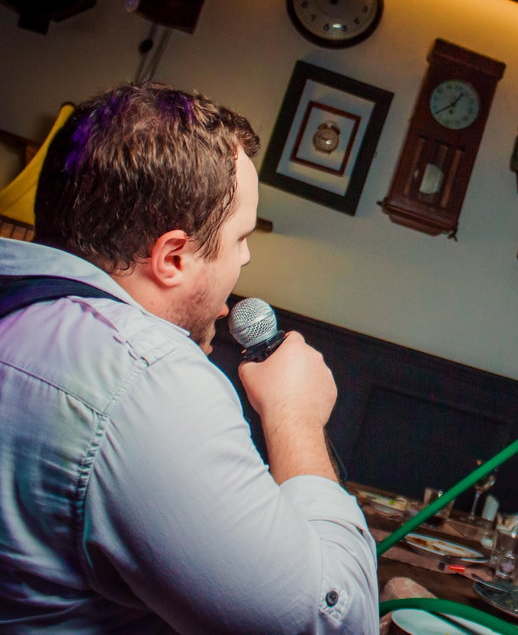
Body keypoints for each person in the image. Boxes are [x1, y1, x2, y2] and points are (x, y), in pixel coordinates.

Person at [0, 83, 378, 633]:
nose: (245, 257)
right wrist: (295, 417)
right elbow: (333, 623)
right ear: (173, 257)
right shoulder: (143, 377)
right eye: (241, 237)